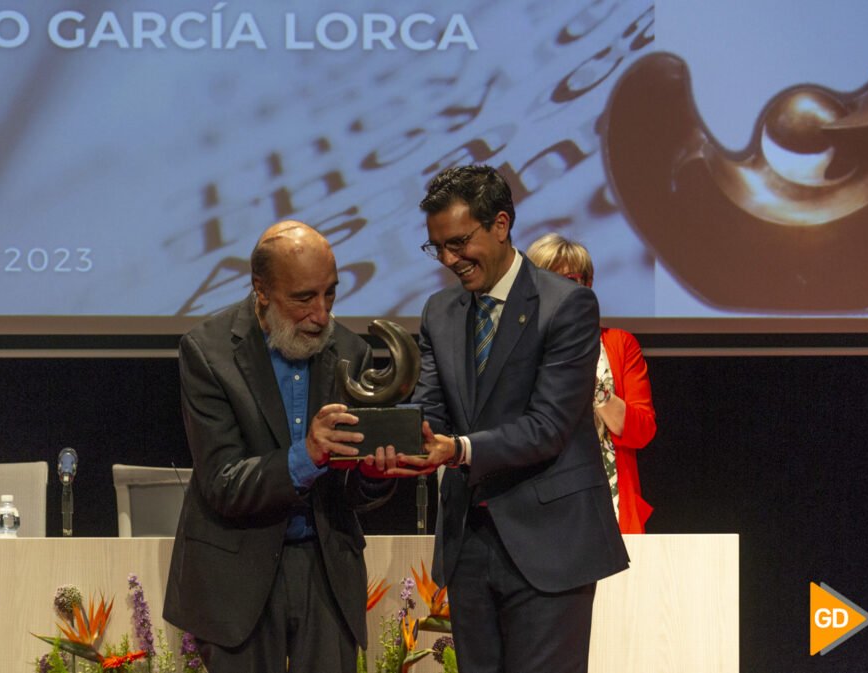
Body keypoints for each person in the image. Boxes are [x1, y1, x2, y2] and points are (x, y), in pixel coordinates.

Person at [395, 165, 629, 673]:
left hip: (550, 544)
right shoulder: (440, 312)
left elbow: (548, 426)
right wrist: (392, 437)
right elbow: (430, 409)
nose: (449, 259)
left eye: (458, 242)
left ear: (500, 225)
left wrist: (456, 450)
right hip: (470, 544)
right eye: (437, 247)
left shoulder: (567, 305)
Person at [163, 221, 396, 673]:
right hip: (238, 578)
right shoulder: (208, 353)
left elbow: (352, 492)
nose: (322, 314)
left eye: (330, 293)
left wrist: (372, 475)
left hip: (326, 574)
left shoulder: (351, 351)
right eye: (304, 297)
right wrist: (306, 456)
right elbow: (222, 483)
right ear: (261, 290)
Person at [527, 234, 657, 533]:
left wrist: (595, 388)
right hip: (539, 504)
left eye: (570, 279)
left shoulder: (620, 345)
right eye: (548, 278)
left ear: (587, 284)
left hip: (606, 501)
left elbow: (642, 431)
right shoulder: (517, 349)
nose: (560, 289)